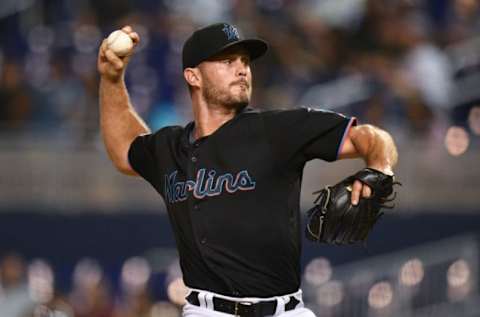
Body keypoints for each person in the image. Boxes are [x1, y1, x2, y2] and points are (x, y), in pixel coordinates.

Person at [97, 23, 398, 317]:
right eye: (227, 61)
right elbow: (125, 149)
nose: (242, 69)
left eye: (245, 61)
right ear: (193, 76)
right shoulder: (170, 149)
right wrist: (112, 79)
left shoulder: (278, 129)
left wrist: (380, 166)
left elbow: (369, 136)